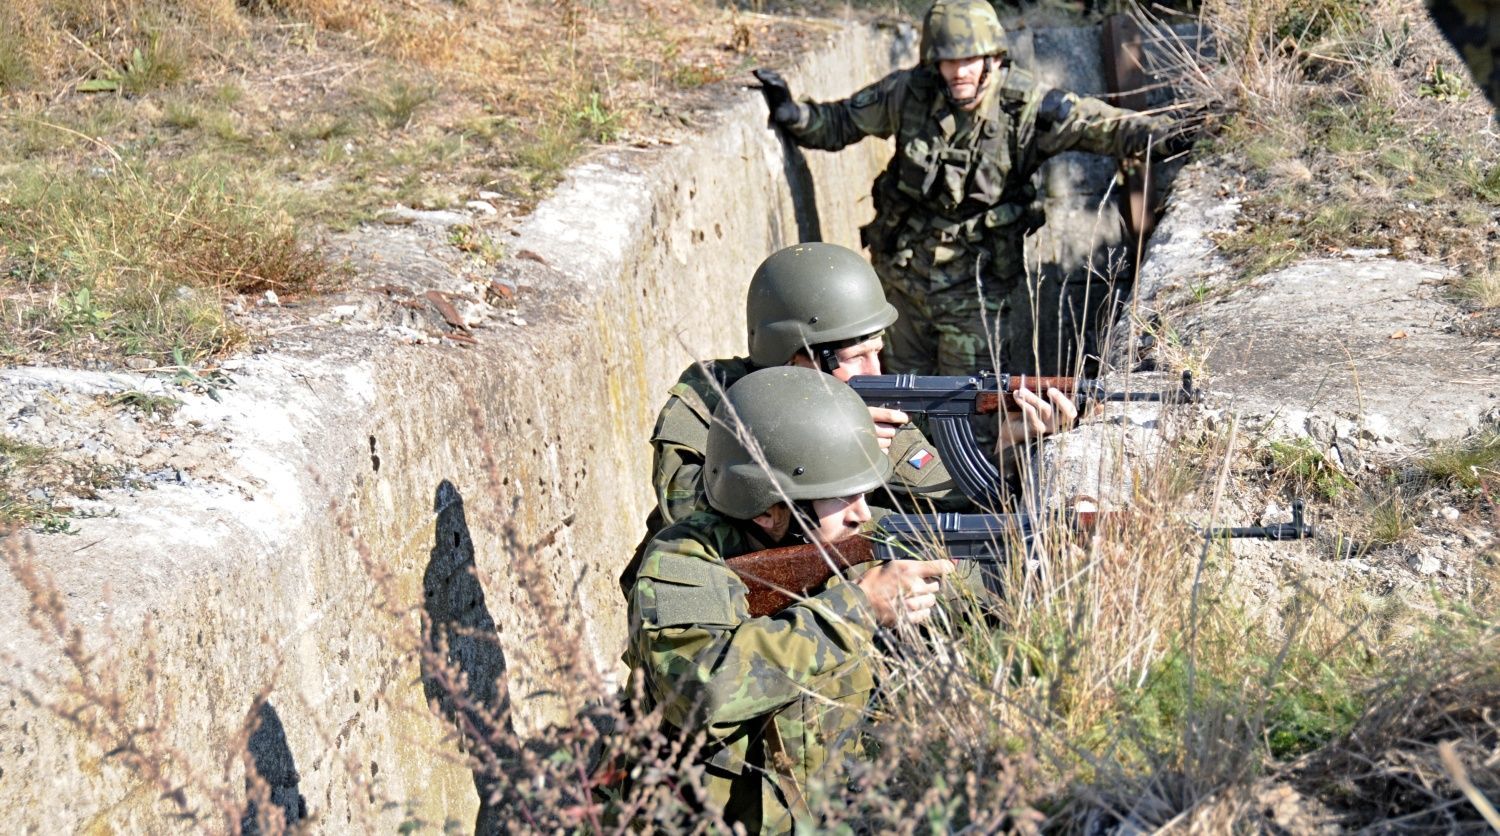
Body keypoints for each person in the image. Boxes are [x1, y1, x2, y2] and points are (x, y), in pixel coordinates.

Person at [753, 0, 1178, 379]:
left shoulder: (1025, 107)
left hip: (977, 292)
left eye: (969, 59)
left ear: (993, 57)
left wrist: (1174, 134)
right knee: (890, 399)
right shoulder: (909, 93)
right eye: (947, 60)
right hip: (902, 284)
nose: (958, 72)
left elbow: (1103, 126)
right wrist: (794, 114)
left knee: (967, 412)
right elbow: (842, 123)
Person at [623, 366, 956, 833]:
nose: (863, 514)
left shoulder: (843, 544)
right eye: (841, 498)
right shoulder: (683, 561)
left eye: (865, 493)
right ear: (771, 510)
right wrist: (856, 610)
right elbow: (702, 694)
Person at [637, 243, 1073, 557]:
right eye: (855, 357)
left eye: (877, 351)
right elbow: (682, 501)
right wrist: (825, 447)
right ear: (795, 356)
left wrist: (1011, 450)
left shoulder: (863, 407)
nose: (874, 373)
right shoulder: (710, 393)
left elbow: (960, 504)